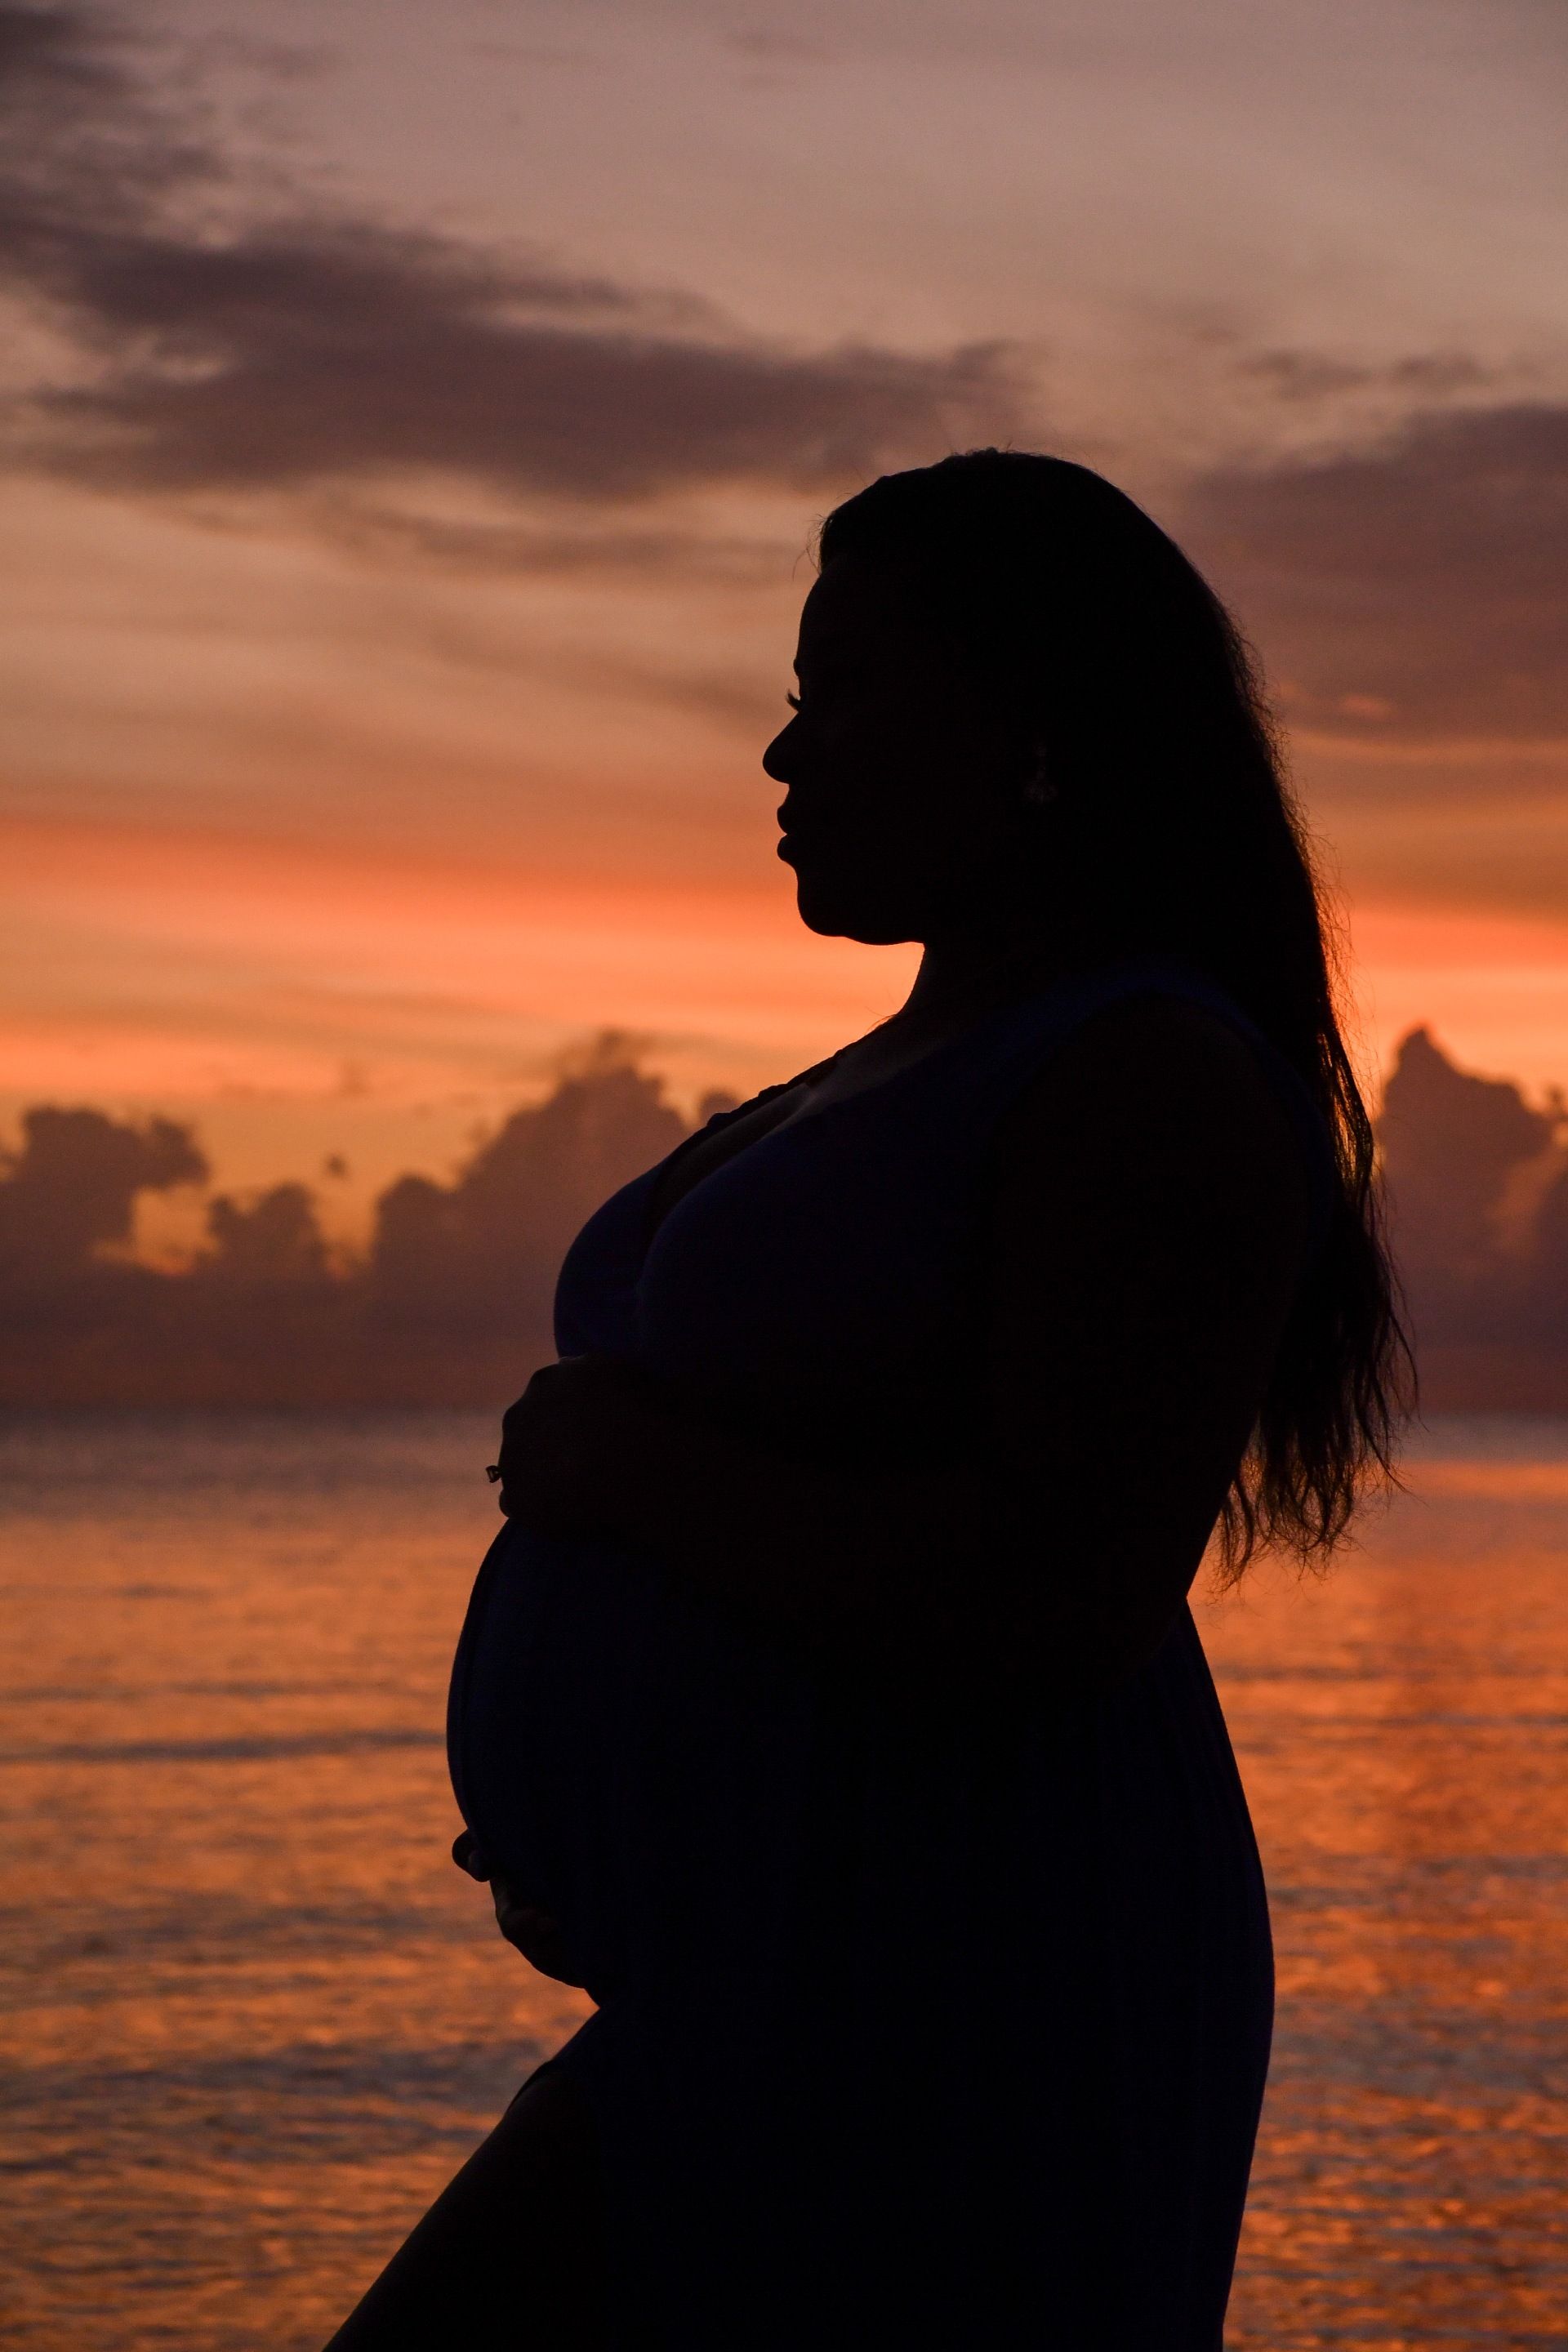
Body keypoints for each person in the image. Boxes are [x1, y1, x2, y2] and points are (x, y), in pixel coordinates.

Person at [323, 449, 1410, 2350]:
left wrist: (628, 1472)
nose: (778, 754)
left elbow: (1058, 1594)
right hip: (754, 1967)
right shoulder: (914, 1058)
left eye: (839, 696)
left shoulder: (1145, 1075)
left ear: (1031, 731)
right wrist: (619, 1814)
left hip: (969, 1974)